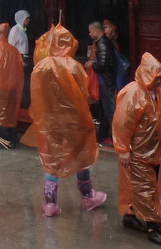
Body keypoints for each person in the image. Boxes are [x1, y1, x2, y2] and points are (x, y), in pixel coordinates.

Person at [29, 23, 107, 217]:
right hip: (73, 120)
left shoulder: (41, 67)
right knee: (81, 155)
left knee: (52, 159)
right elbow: (84, 92)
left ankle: (50, 204)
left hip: (51, 120)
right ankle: (87, 196)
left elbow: (36, 94)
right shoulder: (74, 66)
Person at [113, 52, 161, 247]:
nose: (158, 82)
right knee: (145, 188)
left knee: (147, 187)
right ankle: (154, 228)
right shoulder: (133, 93)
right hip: (138, 152)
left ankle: (130, 216)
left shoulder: (160, 95)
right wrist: (123, 149)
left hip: (155, 150)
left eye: (160, 78)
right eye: (155, 78)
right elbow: (122, 123)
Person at [86, 20, 117, 145]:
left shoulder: (103, 44)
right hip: (103, 82)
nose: (89, 34)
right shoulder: (101, 42)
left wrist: (92, 65)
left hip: (106, 82)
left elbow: (103, 65)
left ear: (95, 30)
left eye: (90, 31)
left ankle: (117, 139)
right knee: (104, 112)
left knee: (110, 112)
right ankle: (103, 136)